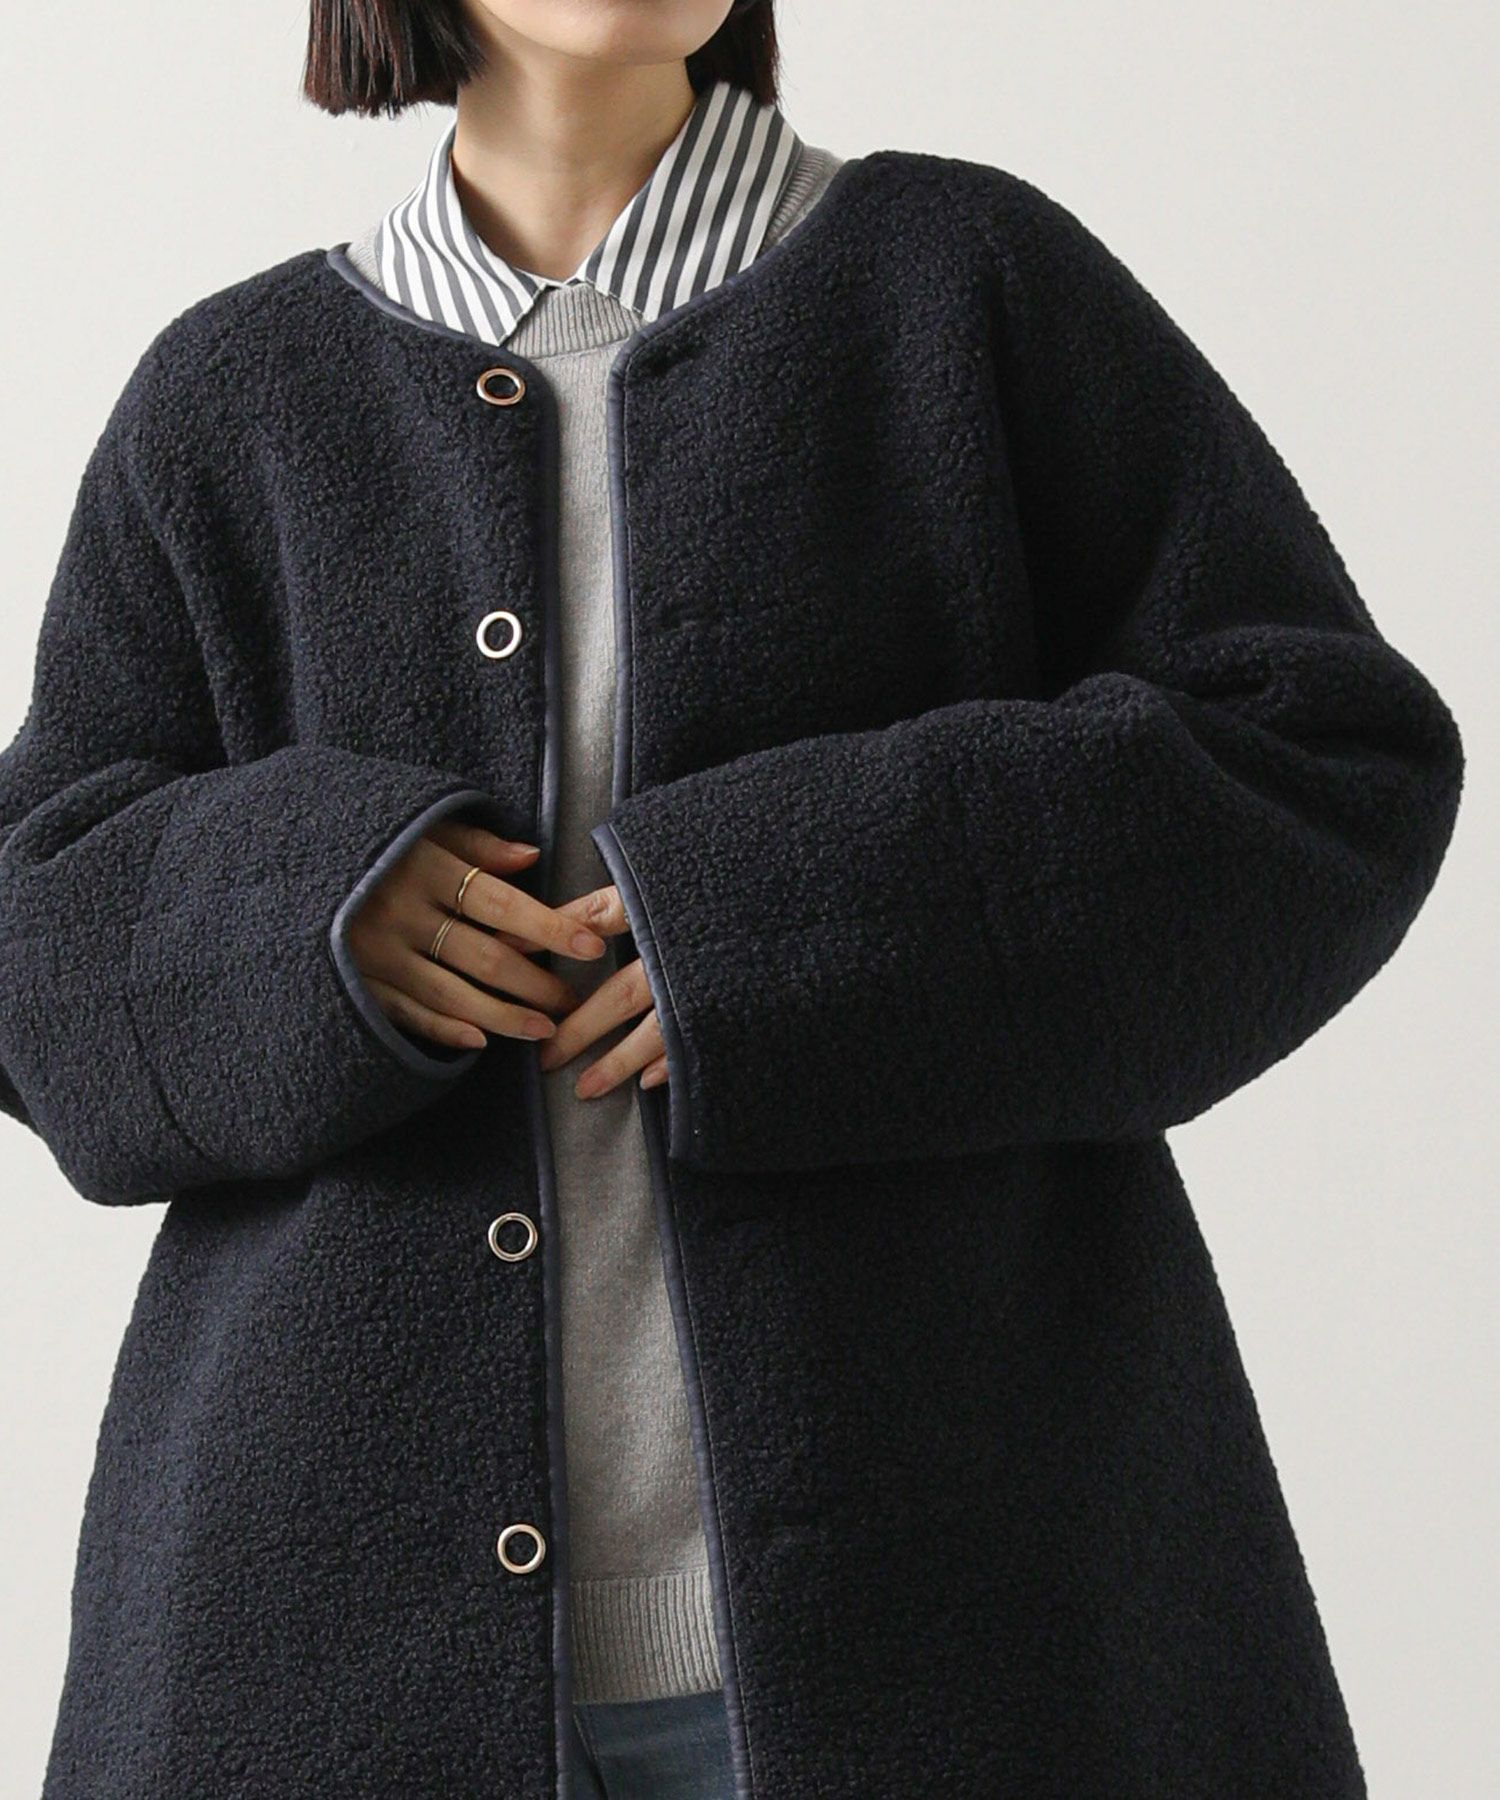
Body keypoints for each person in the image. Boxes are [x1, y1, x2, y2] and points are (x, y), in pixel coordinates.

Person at [0, 3, 1464, 1797]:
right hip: (317, 1658)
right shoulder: (232, 398)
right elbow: (31, 934)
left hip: (969, 1617)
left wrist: (783, 922)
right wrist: (312, 918)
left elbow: (1323, 761)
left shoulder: (966, 284)